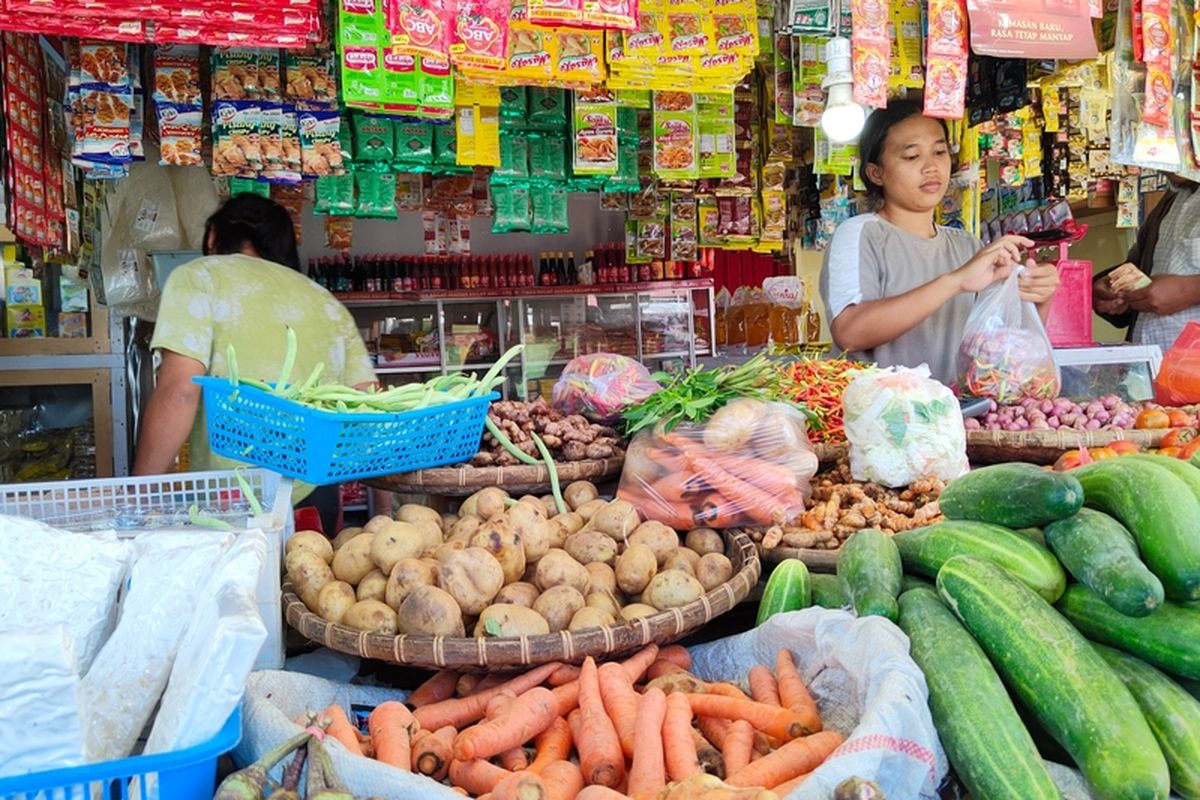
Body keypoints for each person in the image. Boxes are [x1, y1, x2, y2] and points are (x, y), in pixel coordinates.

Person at [133, 194, 376, 532]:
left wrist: (136, 496)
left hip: (232, 502)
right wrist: (382, 518)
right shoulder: (327, 303)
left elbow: (179, 391)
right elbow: (369, 406)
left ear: (214, 236)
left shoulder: (199, 277)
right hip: (316, 498)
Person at [819, 99, 1060, 385]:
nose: (931, 167)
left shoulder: (967, 247)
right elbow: (850, 332)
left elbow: (1002, 355)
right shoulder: (860, 234)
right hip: (880, 421)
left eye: (939, 152)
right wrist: (955, 281)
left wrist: (1039, 297)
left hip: (954, 421)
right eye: (911, 156)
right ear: (876, 172)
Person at [1093, 175, 1200, 351]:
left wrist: (1190, 289)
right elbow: (1139, 266)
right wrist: (1116, 292)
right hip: (1151, 365)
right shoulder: (1172, 199)